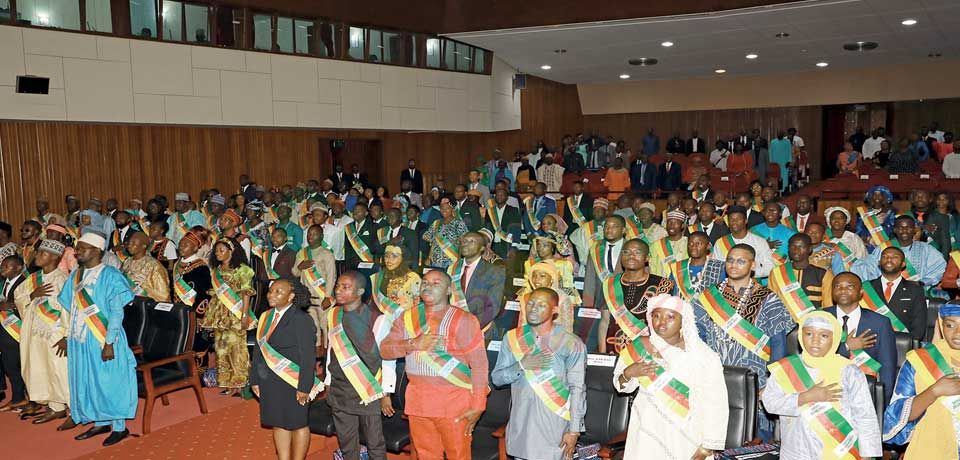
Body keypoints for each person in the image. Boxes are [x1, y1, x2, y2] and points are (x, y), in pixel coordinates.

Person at [380, 270, 489, 460]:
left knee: (459, 455)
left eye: (436, 283)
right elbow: (385, 350)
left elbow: (479, 365)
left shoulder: (464, 320)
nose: (428, 286)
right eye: (425, 282)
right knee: (425, 456)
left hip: (455, 404)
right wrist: (413, 343)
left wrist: (479, 405)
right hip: (418, 403)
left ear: (449, 290)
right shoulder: (407, 318)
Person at [694, 243, 794, 439]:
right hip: (715, 376)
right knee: (713, 434)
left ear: (753, 265)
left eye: (741, 261)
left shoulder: (767, 298)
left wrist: (773, 382)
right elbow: (699, 335)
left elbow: (778, 343)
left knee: (753, 439)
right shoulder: (708, 296)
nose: (733, 265)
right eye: (730, 260)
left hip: (755, 379)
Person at [614, 294, 728, 459]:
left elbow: (716, 404)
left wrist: (706, 448)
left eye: (670, 317)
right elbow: (620, 384)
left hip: (685, 437)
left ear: (683, 321)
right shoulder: (641, 346)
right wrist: (628, 373)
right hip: (646, 433)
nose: (661, 322)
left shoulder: (705, 357)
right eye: (656, 316)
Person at [762, 310, 883, 460]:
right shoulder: (785, 368)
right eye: (809, 334)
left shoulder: (849, 371)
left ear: (835, 338)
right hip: (795, 452)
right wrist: (805, 397)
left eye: (824, 336)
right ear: (800, 336)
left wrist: (867, 455)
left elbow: (865, 416)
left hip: (839, 451)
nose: (815, 341)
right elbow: (770, 404)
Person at [56, 233, 136, 446]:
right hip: (79, 340)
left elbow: (117, 312)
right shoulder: (76, 275)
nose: (77, 251)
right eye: (77, 248)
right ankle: (100, 422)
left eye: (82, 248)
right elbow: (68, 307)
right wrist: (66, 334)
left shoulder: (111, 275)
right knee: (89, 380)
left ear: (97, 251)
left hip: (103, 338)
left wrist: (109, 342)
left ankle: (119, 427)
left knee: (110, 382)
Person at [492, 287, 586, 460]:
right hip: (522, 426)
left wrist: (574, 431)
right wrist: (521, 365)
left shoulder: (571, 343)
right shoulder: (512, 338)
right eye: (531, 303)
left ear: (555, 310)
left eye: (541, 305)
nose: (533, 308)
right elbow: (497, 379)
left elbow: (578, 389)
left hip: (554, 428)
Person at [322, 272, 393, 460]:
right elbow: (332, 350)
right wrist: (328, 381)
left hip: (368, 389)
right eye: (337, 286)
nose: (338, 290)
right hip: (340, 388)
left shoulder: (377, 319)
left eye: (345, 287)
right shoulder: (334, 314)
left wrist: (386, 393)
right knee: (346, 441)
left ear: (360, 291)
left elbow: (388, 358)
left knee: (374, 442)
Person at [251, 279, 321, 460]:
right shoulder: (266, 316)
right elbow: (259, 349)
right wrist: (255, 379)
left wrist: (304, 387)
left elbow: (308, 356)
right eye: (271, 291)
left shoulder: (301, 319)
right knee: (278, 421)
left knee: (298, 423)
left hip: (293, 380)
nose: (271, 295)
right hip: (270, 380)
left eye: (278, 292)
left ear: (290, 297)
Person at [882, 303, 960, 458]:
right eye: (950, 325)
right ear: (940, 324)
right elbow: (893, 420)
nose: (957, 333)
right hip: (932, 450)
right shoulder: (921, 361)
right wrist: (934, 391)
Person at [13, 240, 73, 426]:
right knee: (42, 369)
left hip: (55, 334)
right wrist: (33, 295)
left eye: (42, 253)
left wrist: (66, 336)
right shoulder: (33, 279)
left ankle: (75, 410)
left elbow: (70, 309)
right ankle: (56, 407)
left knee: (61, 372)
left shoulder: (63, 279)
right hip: (34, 333)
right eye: (38, 252)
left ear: (54, 257)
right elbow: (18, 297)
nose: (37, 256)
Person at [824, 272, 898, 403]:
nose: (843, 290)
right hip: (826, 390)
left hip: (864, 395)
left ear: (861, 292)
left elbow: (887, 367)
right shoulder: (820, 318)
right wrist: (846, 347)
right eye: (837, 286)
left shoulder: (880, 323)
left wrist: (883, 404)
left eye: (849, 286)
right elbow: (812, 357)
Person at [598, 239, 674, 354]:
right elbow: (604, 322)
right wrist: (602, 354)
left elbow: (666, 326)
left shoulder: (662, 285)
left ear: (647, 258)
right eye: (626, 252)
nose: (631, 256)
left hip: (647, 351)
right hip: (613, 348)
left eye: (637, 252)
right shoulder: (609, 284)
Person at [200, 238, 256, 397]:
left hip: (236, 312)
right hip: (219, 313)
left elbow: (247, 294)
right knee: (221, 348)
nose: (218, 253)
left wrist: (245, 315)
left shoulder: (243, 270)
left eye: (221, 250)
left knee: (237, 348)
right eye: (216, 251)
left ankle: (241, 383)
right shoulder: (216, 270)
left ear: (232, 251)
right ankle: (227, 383)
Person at [852, 216, 946, 288]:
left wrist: (922, 282)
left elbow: (939, 268)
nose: (904, 231)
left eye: (908, 228)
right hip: (887, 292)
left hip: (917, 292)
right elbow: (866, 267)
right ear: (895, 230)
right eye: (900, 228)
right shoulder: (883, 248)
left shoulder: (926, 249)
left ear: (914, 230)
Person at [449, 232, 506, 338]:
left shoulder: (494, 271)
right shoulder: (451, 269)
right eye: (464, 241)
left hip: (479, 331)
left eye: (472, 241)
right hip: (450, 328)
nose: (466, 244)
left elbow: (492, 307)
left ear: (482, 248)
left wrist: (469, 328)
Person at [866, 247, 928, 342]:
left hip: (900, 344)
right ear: (879, 263)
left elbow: (919, 328)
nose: (889, 259)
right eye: (884, 256)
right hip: (869, 343)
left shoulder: (915, 289)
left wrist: (907, 345)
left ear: (903, 264)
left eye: (895, 257)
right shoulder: (866, 288)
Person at [769, 234, 834, 321]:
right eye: (793, 246)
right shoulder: (776, 273)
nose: (796, 250)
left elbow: (828, 305)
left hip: (813, 323)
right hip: (784, 324)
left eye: (801, 247)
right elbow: (772, 303)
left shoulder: (823, 273)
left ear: (810, 249)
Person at [292, 224, 337, 350]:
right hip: (306, 295)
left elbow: (331, 276)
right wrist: (300, 267)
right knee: (313, 324)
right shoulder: (302, 253)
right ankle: (316, 349)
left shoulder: (326, 253)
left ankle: (328, 350)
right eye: (309, 234)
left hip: (322, 294)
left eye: (314, 234)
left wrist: (327, 296)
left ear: (321, 236)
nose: (310, 236)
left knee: (325, 324)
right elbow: (295, 273)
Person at [173, 230, 213, 355]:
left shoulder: (201, 267)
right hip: (178, 311)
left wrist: (198, 316)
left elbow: (204, 294)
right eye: (180, 244)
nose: (181, 247)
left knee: (193, 345)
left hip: (192, 313)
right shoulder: (177, 264)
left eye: (186, 245)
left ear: (195, 248)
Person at [711, 206, 776, 278]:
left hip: (752, 283)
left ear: (745, 221)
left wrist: (748, 271)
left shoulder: (759, 241)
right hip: (727, 283)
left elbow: (770, 267)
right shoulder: (720, 242)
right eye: (731, 219)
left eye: (738, 219)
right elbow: (716, 268)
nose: (734, 221)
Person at [0, 255, 27, 412]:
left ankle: (27, 398)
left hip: (17, 331)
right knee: (11, 367)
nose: (3, 269)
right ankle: (18, 399)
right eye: (2, 266)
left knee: (20, 366)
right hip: (6, 330)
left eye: (7, 266)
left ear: (18, 267)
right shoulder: (4, 283)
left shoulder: (24, 282)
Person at [120, 232, 170, 302]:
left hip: (144, 306)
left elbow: (164, 295)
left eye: (134, 243)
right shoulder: (126, 262)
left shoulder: (153, 265)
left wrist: (143, 289)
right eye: (129, 242)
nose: (129, 245)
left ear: (144, 246)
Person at [423, 200, 468, 270]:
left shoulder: (458, 223)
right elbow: (425, 236)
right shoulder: (436, 223)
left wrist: (459, 259)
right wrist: (435, 241)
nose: (444, 210)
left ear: (452, 209)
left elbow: (464, 241)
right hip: (436, 259)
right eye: (442, 208)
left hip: (452, 258)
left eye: (447, 208)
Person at [750, 201, 797, 265]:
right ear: (763, 213)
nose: (771, 213)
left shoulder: (790, 233)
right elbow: (747, 252)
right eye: (768, 210)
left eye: (774, 211)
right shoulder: (753, 231)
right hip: (759, 270)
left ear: (780, 214)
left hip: (782, 272)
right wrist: (765, 246)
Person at [484, 188, 522, 260]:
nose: (499, 196)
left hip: (507, 246)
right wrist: (487, 246)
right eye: (497, 195)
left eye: (502, 195)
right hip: (493, 246)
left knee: (507, 269)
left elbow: (516, 230)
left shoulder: (513, 210)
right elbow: (487, 228)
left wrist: (514, 247)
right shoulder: (490, 211)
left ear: (507, 197)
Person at [344, 203, 382, 274]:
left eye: (359, 210)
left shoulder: (374, 227)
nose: (355, 212)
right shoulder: (348, 227)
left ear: (366, 213)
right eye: (354, 210)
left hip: (367, 263)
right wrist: (347, 263)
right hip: (352, 264)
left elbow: (377, 248)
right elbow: (347, 247)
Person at [648, 211, 687, 277]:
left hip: (683, 285)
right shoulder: (655, 245)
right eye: (669, 222)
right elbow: (652, 269)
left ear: (682, 226)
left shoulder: (689, 243)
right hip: (661, 284)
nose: (672, 225)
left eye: (676, 223)